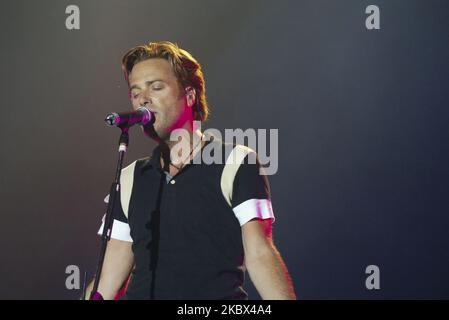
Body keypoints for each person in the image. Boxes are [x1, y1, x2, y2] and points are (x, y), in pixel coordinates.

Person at [85, 41, 296, 300]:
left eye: (156, 87)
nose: (143, 99)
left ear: (190, 95)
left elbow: (260, 254)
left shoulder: (236, 162)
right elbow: (107, 283)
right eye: (135, 91)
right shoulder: (129, 178)